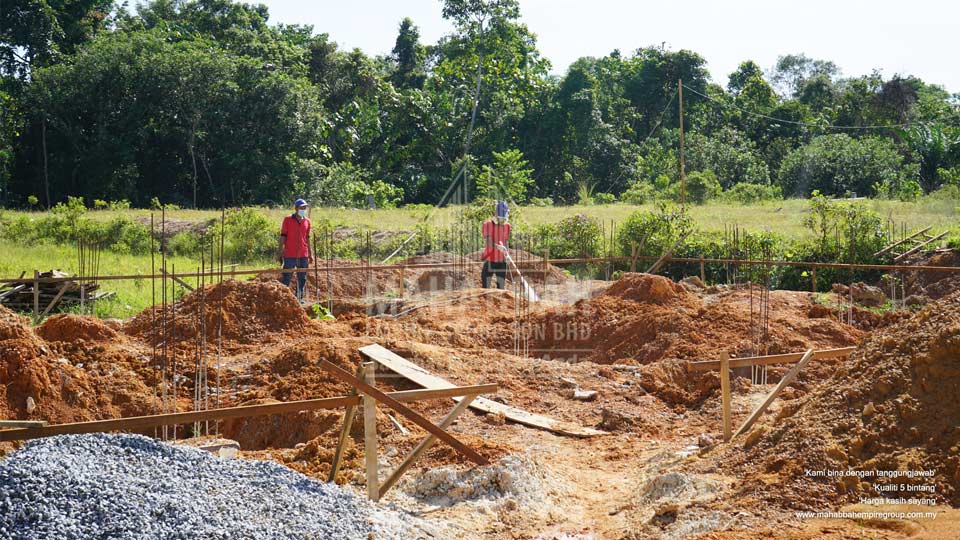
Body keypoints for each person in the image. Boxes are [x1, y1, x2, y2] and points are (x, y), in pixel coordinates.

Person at [278, 198, 312, 301]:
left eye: (305, 208)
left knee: (302, 277)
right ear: (296, 208)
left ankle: (299, 298)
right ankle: (284, 298)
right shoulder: (288, 220)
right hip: (290, 253)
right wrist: (280, 250)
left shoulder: (307, 221)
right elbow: (283, 236)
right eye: (302, 208)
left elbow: (307, 238)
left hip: (303, 253)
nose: (304, 210)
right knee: (287, 276)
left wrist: (310, 254)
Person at [480, 200, 511, 289]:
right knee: (486, 286)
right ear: (496, 214)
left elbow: (506, 241)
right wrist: (498, 247)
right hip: (490, 259)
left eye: (503, 218)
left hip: (501, 261)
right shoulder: (488, 224)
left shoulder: (507, 226)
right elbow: (488, 241)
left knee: (501, 287)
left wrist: (507, 254)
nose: (502, 220)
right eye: (500, 218)